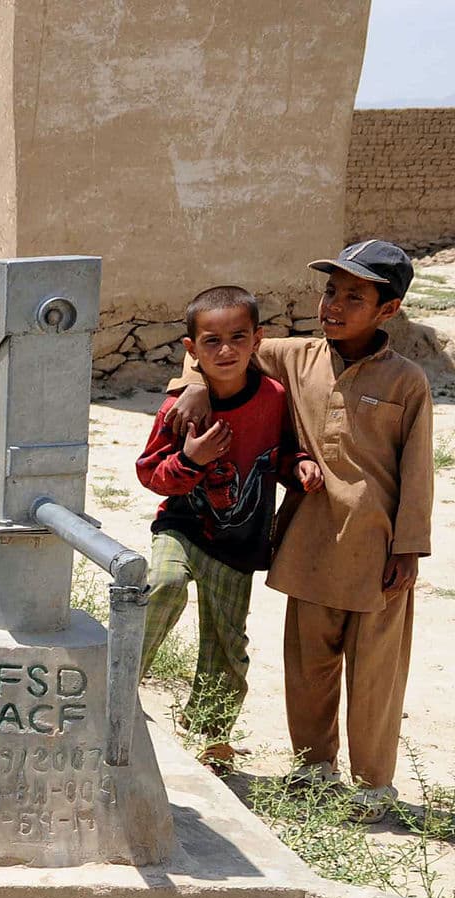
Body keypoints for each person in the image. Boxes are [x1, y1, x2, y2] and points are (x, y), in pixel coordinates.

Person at [166, 241, 432, 822]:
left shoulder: (407, 381)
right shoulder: (295, 357)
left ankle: (373, 786)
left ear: (388, 310)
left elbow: (418, 466)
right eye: (330, 291)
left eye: (353, 297)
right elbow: (220, 349)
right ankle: (314, 769)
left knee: (376, 674)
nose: (333, 305)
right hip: (310, 539)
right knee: (309, 665)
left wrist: (410, 546)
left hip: (378, 548)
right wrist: (192, 386)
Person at [136, 286, 321, 773]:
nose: (226, 350)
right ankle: (116, 690)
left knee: (226, 643)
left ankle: (212, 738)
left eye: (238, 337)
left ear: (258, 339)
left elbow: (282, 450)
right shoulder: (183, 409)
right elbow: (149, 472)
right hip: (181, 526)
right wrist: (190, 460)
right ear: (191, 350)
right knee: (162, 585)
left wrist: (297, 465)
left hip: (239, 545)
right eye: (211, 341)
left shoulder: (274, 397)